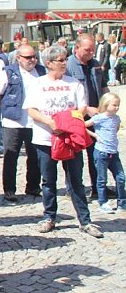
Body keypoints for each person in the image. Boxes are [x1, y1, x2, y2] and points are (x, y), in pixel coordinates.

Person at [26, 45, 101, 238]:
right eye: (60, 60)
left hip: (70, 138)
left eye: (65, 59)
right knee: (48, 180)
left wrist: (67, 122)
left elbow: (82, 108)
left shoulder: (74, 83)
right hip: (45, 138)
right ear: (49, 63)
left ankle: (85, 220)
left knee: (76, 179)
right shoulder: (37, 83)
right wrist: (51, 122)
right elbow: (32, 110)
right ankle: (49, 217)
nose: (65, 63)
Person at [0, 44, 45, 202]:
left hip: (35, 121)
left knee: (35, 157)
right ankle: (9, 189)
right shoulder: (8, 72)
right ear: (19, 58)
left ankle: (33, 186)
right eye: (28, 57)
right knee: (11, 156)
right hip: (13, 121)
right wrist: (2, 110)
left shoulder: (41, 71)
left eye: (34, 57)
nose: (32, 60)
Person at [67, 33, 107, 200]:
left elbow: (103, 86)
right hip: (77, 116)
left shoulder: (95, 64)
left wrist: (107, 106)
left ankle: (98, 187)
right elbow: (66, 95)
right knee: (75, 156)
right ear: (77, 48)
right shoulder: (68, 65)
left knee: (97, 153)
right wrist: (86, 108)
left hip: (96, 116)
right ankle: (74, 189)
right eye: (87, 50)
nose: (91, 53)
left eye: (93, 49)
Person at [86, 92, 125, 213]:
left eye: (118, 105)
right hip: (101, 152)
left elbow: (115, 130)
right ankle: (103, 202)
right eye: (114, 105)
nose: (116, 107)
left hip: (113, 152)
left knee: (121, 178)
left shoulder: (116, 118)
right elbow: (83, 126)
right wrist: (95, 135)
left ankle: (122, 203)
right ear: (106, 104)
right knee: (102, 179)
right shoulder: (99, 118)